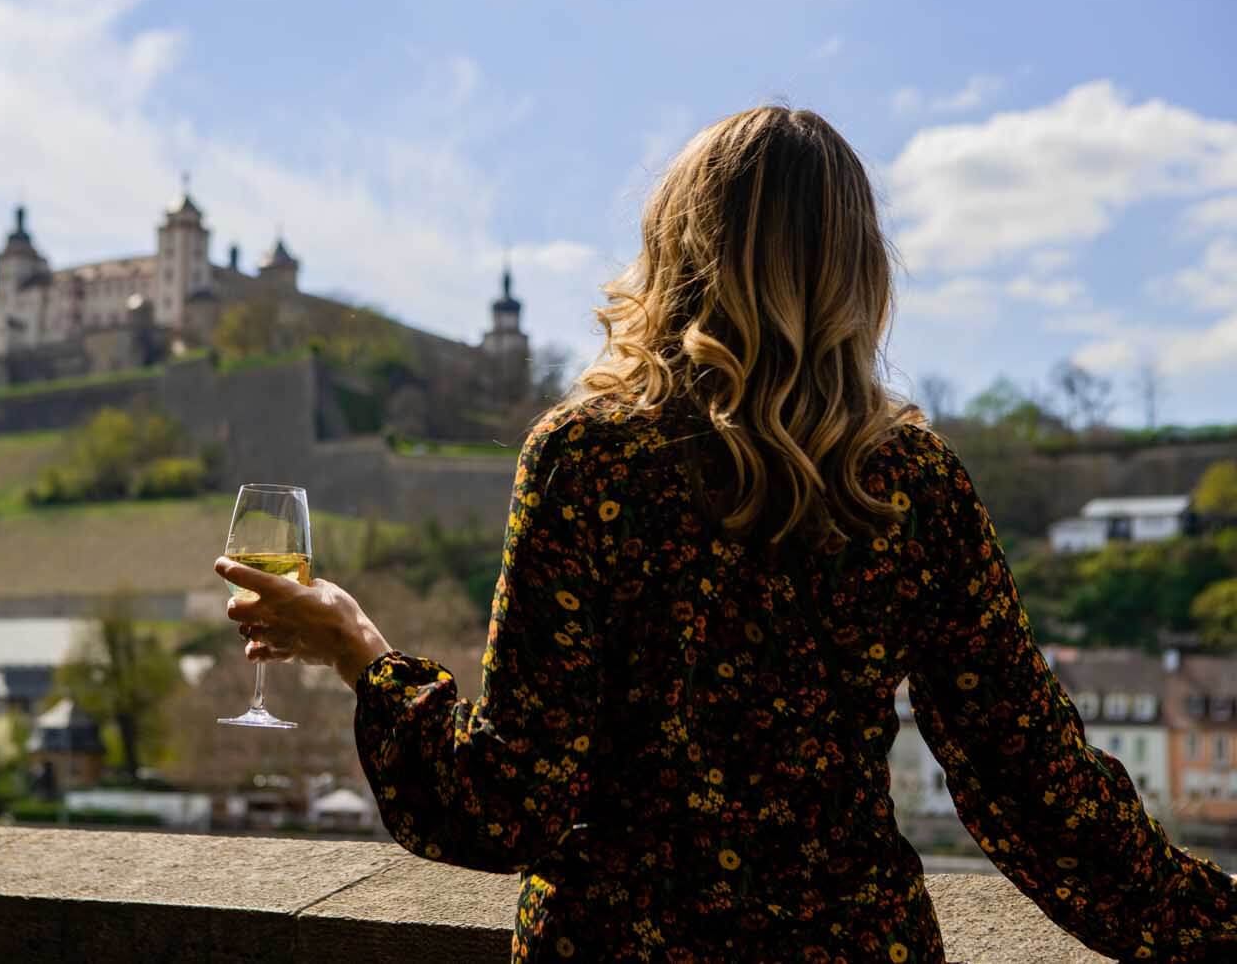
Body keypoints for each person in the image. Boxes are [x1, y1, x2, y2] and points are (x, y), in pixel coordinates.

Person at [216, 106, 1236, 962]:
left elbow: (506, 800)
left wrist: (361, 650)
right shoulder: (915, 481)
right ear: (855, 270)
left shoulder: (587, 458)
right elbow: (1038, 791)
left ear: (676, 251)